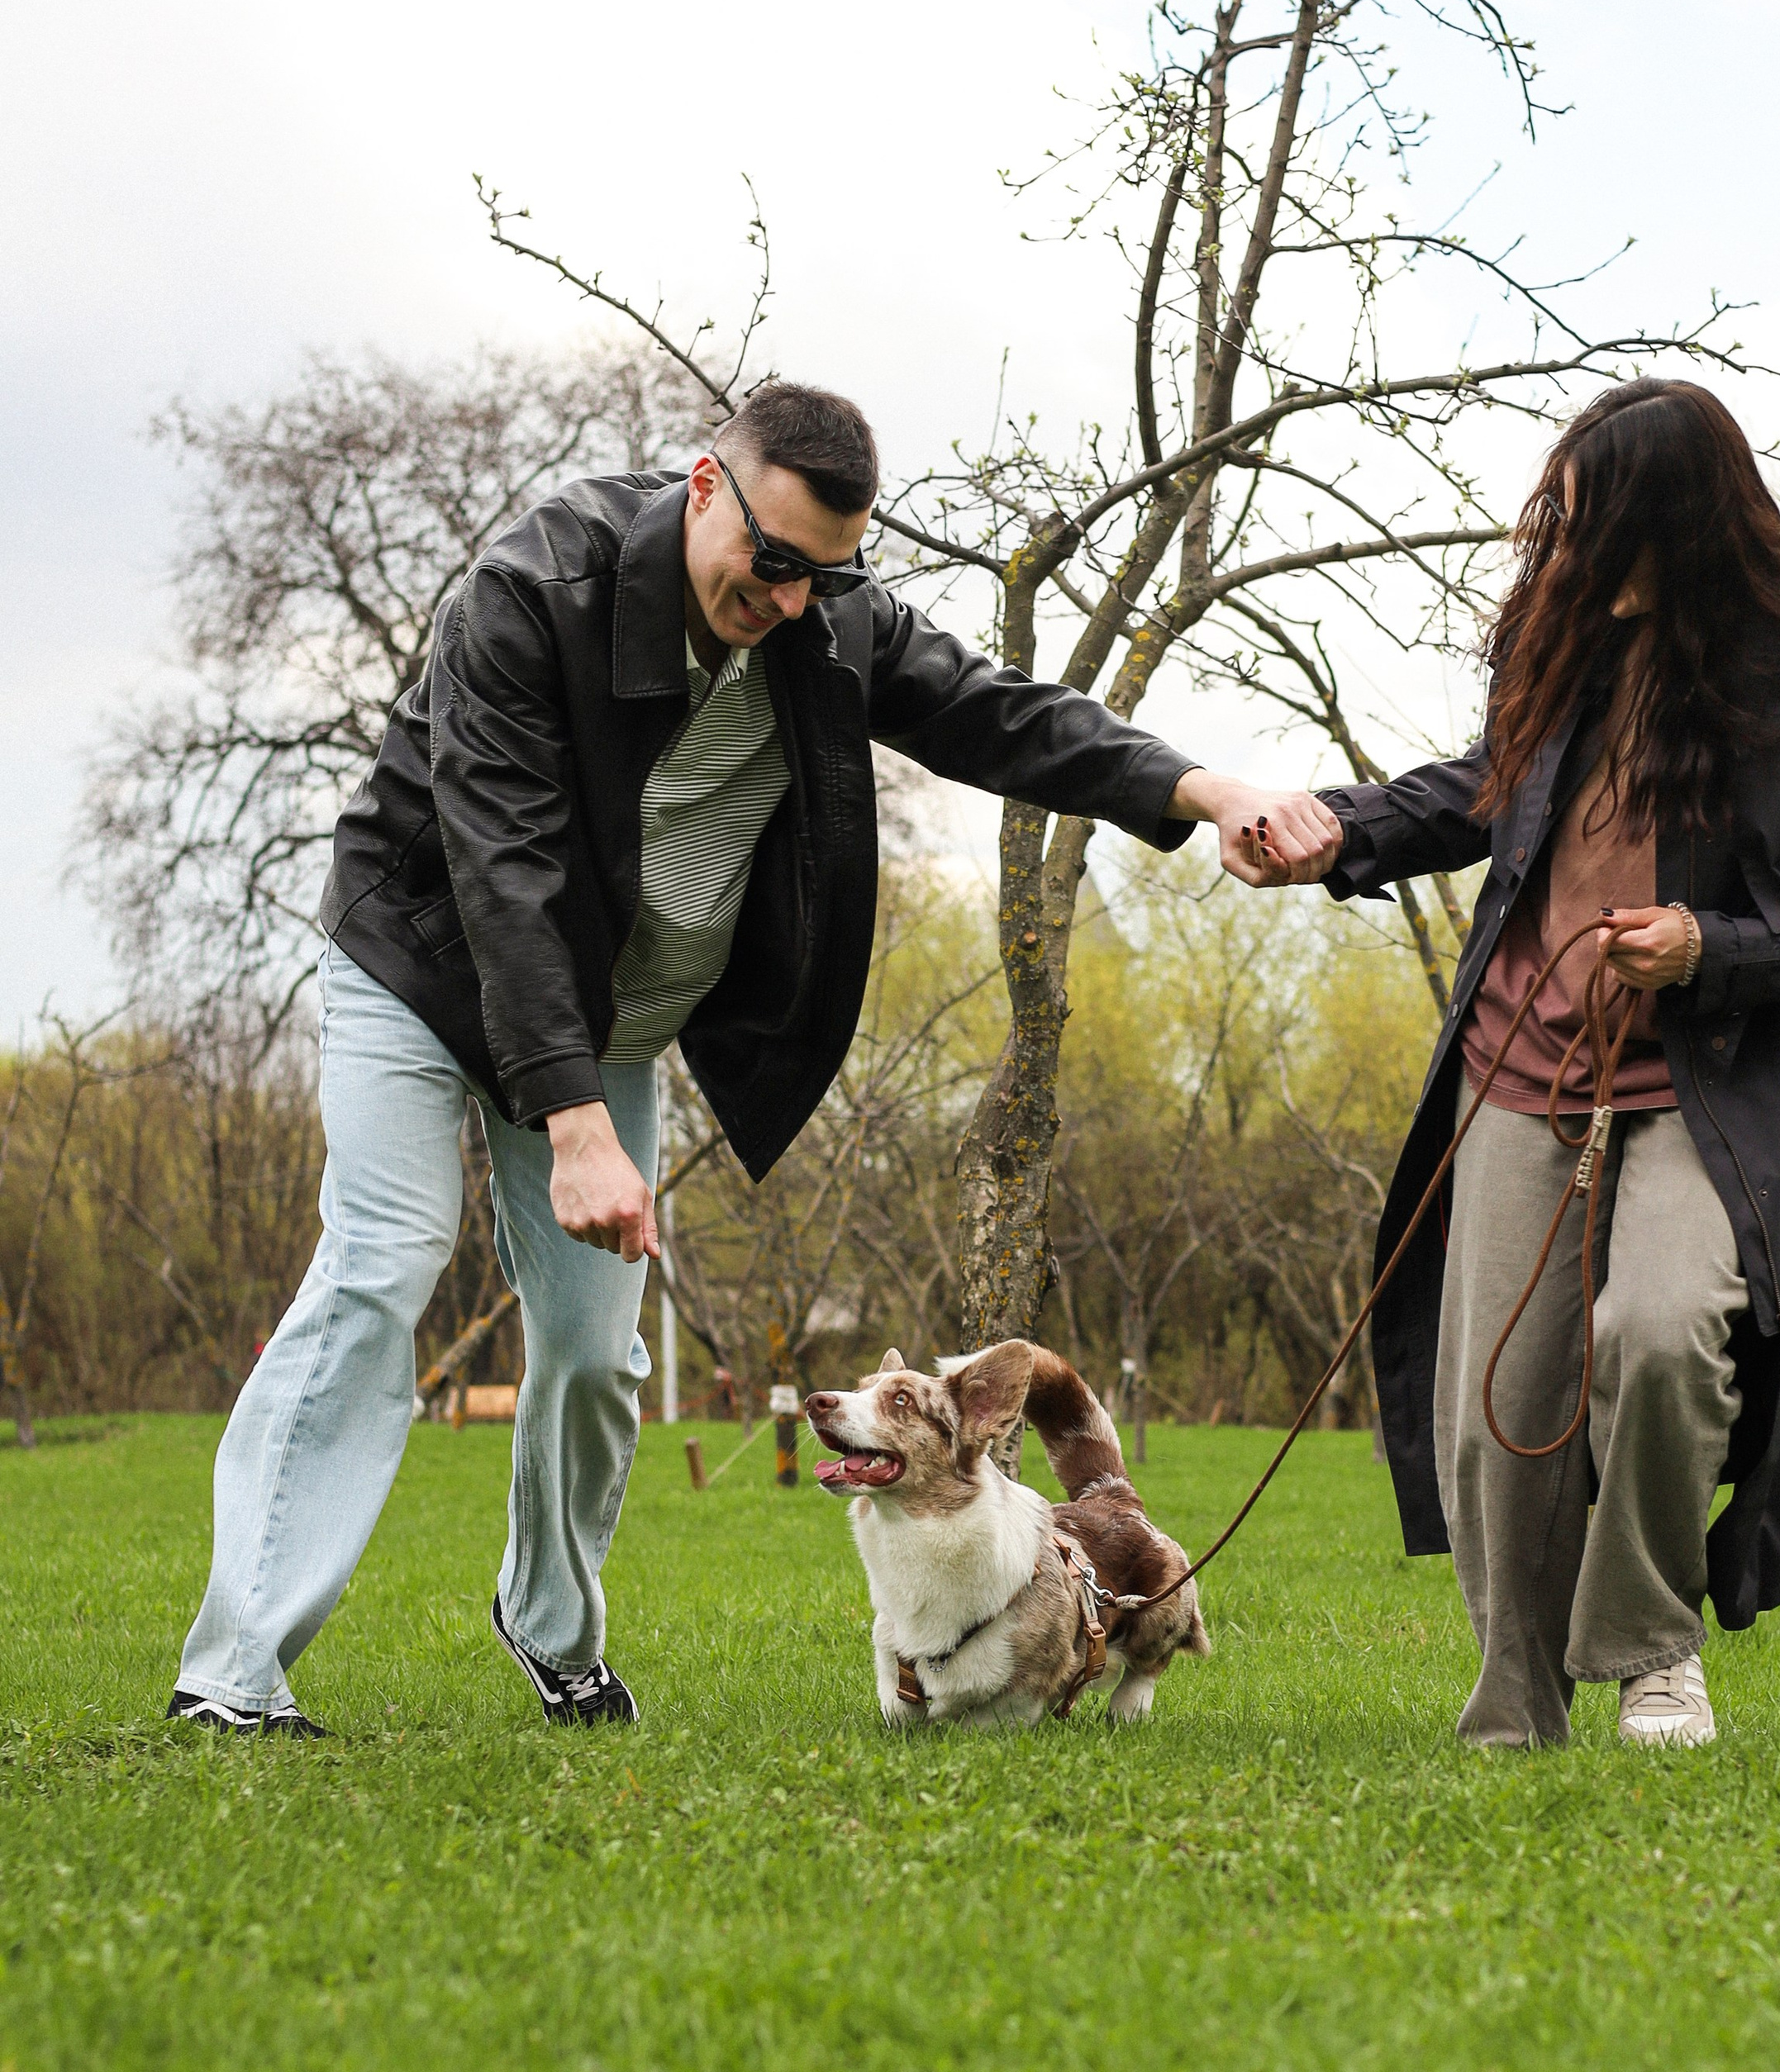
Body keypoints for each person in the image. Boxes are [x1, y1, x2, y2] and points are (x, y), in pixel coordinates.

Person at [167, 382, 1340, 1734]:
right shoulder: (532, 587)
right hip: (420, 965)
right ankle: (236, 1673)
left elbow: (1001, 714)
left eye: (826, 575)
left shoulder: (825, 617)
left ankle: (553, 1629)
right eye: (772, 561)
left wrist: (1206, 792)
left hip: (610, 1017)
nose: (790, 598)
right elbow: (503, 869)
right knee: (382, 1264)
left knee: (597, 1357)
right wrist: (574, 1122)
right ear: (704, 486)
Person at [1281, 380, 1780, 1749]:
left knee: (1655, 1338)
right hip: (1520, 1059)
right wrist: (1337, 831)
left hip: (1719, 1075)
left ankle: (1651, 1646)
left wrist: (1714, 941)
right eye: (1564, 528)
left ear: (1689, 523)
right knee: (1499, 1406)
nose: (1573, 558)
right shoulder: (1566, 629)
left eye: (1602, 531)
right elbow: (1490, 786)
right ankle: (1516, 1703)